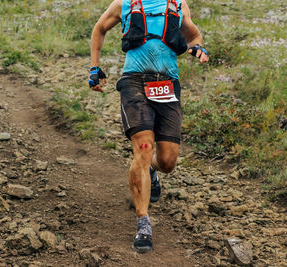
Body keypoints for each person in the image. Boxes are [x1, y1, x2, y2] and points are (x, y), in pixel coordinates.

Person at [89, 0, 209, 253]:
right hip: (134, 82)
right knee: (143, 148)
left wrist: (197, 47)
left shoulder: (177, 4)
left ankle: (153, 171)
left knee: (167, 162)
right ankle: (143, 223)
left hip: (168, 83)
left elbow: (193, 34)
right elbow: (100, 28)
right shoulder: (123, 4)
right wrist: (94, 66)